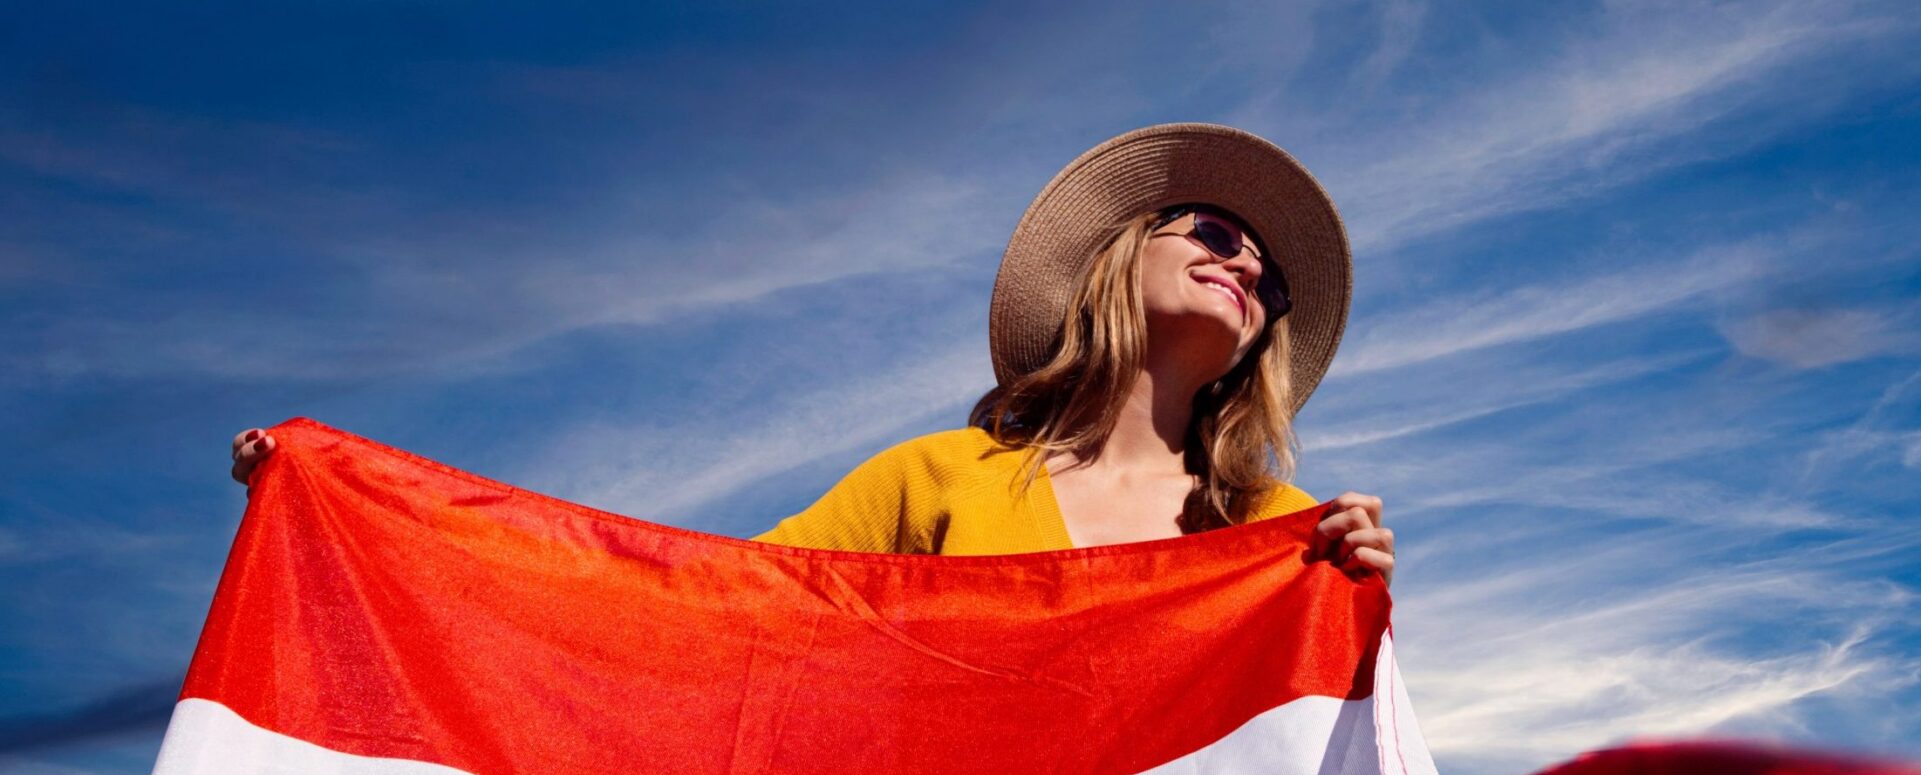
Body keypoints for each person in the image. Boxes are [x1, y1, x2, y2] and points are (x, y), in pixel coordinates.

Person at [233, 124, 1394, 582]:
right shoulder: (937, 483)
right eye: (1216, 233)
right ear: (1113, 258)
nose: (1246, 267)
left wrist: (1352, 612)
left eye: (1270, 280)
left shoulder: (1276, 528)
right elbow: (706, 602)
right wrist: (367, 511)